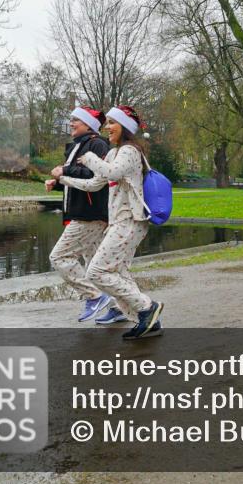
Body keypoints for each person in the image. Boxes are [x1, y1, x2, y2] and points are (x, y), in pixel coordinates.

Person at [58, 105, 164, 340]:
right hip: (118, 222)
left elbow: (113, 173)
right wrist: (63, 179)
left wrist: (91, 158)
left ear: (125, 126)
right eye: (107, 124)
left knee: (96, 271)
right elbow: (95, 184)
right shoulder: (114, 153)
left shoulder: (129, 151)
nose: (107, 128)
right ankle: (146, 320)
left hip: (131, 220)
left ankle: (147, 307)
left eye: (112, 124)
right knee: (120, 272)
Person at [46, 107, 112, 323]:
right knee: (98, 266)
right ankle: (122, 307)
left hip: (89, 215)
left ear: (88, 124)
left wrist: (64, 172)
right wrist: (58, 184)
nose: (71, 123)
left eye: (75, 119)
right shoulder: (78, 147)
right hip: (84, 212)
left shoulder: (97, 144)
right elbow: (79, 181)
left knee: (59, 257)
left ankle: (94, 296)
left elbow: (98, 176)